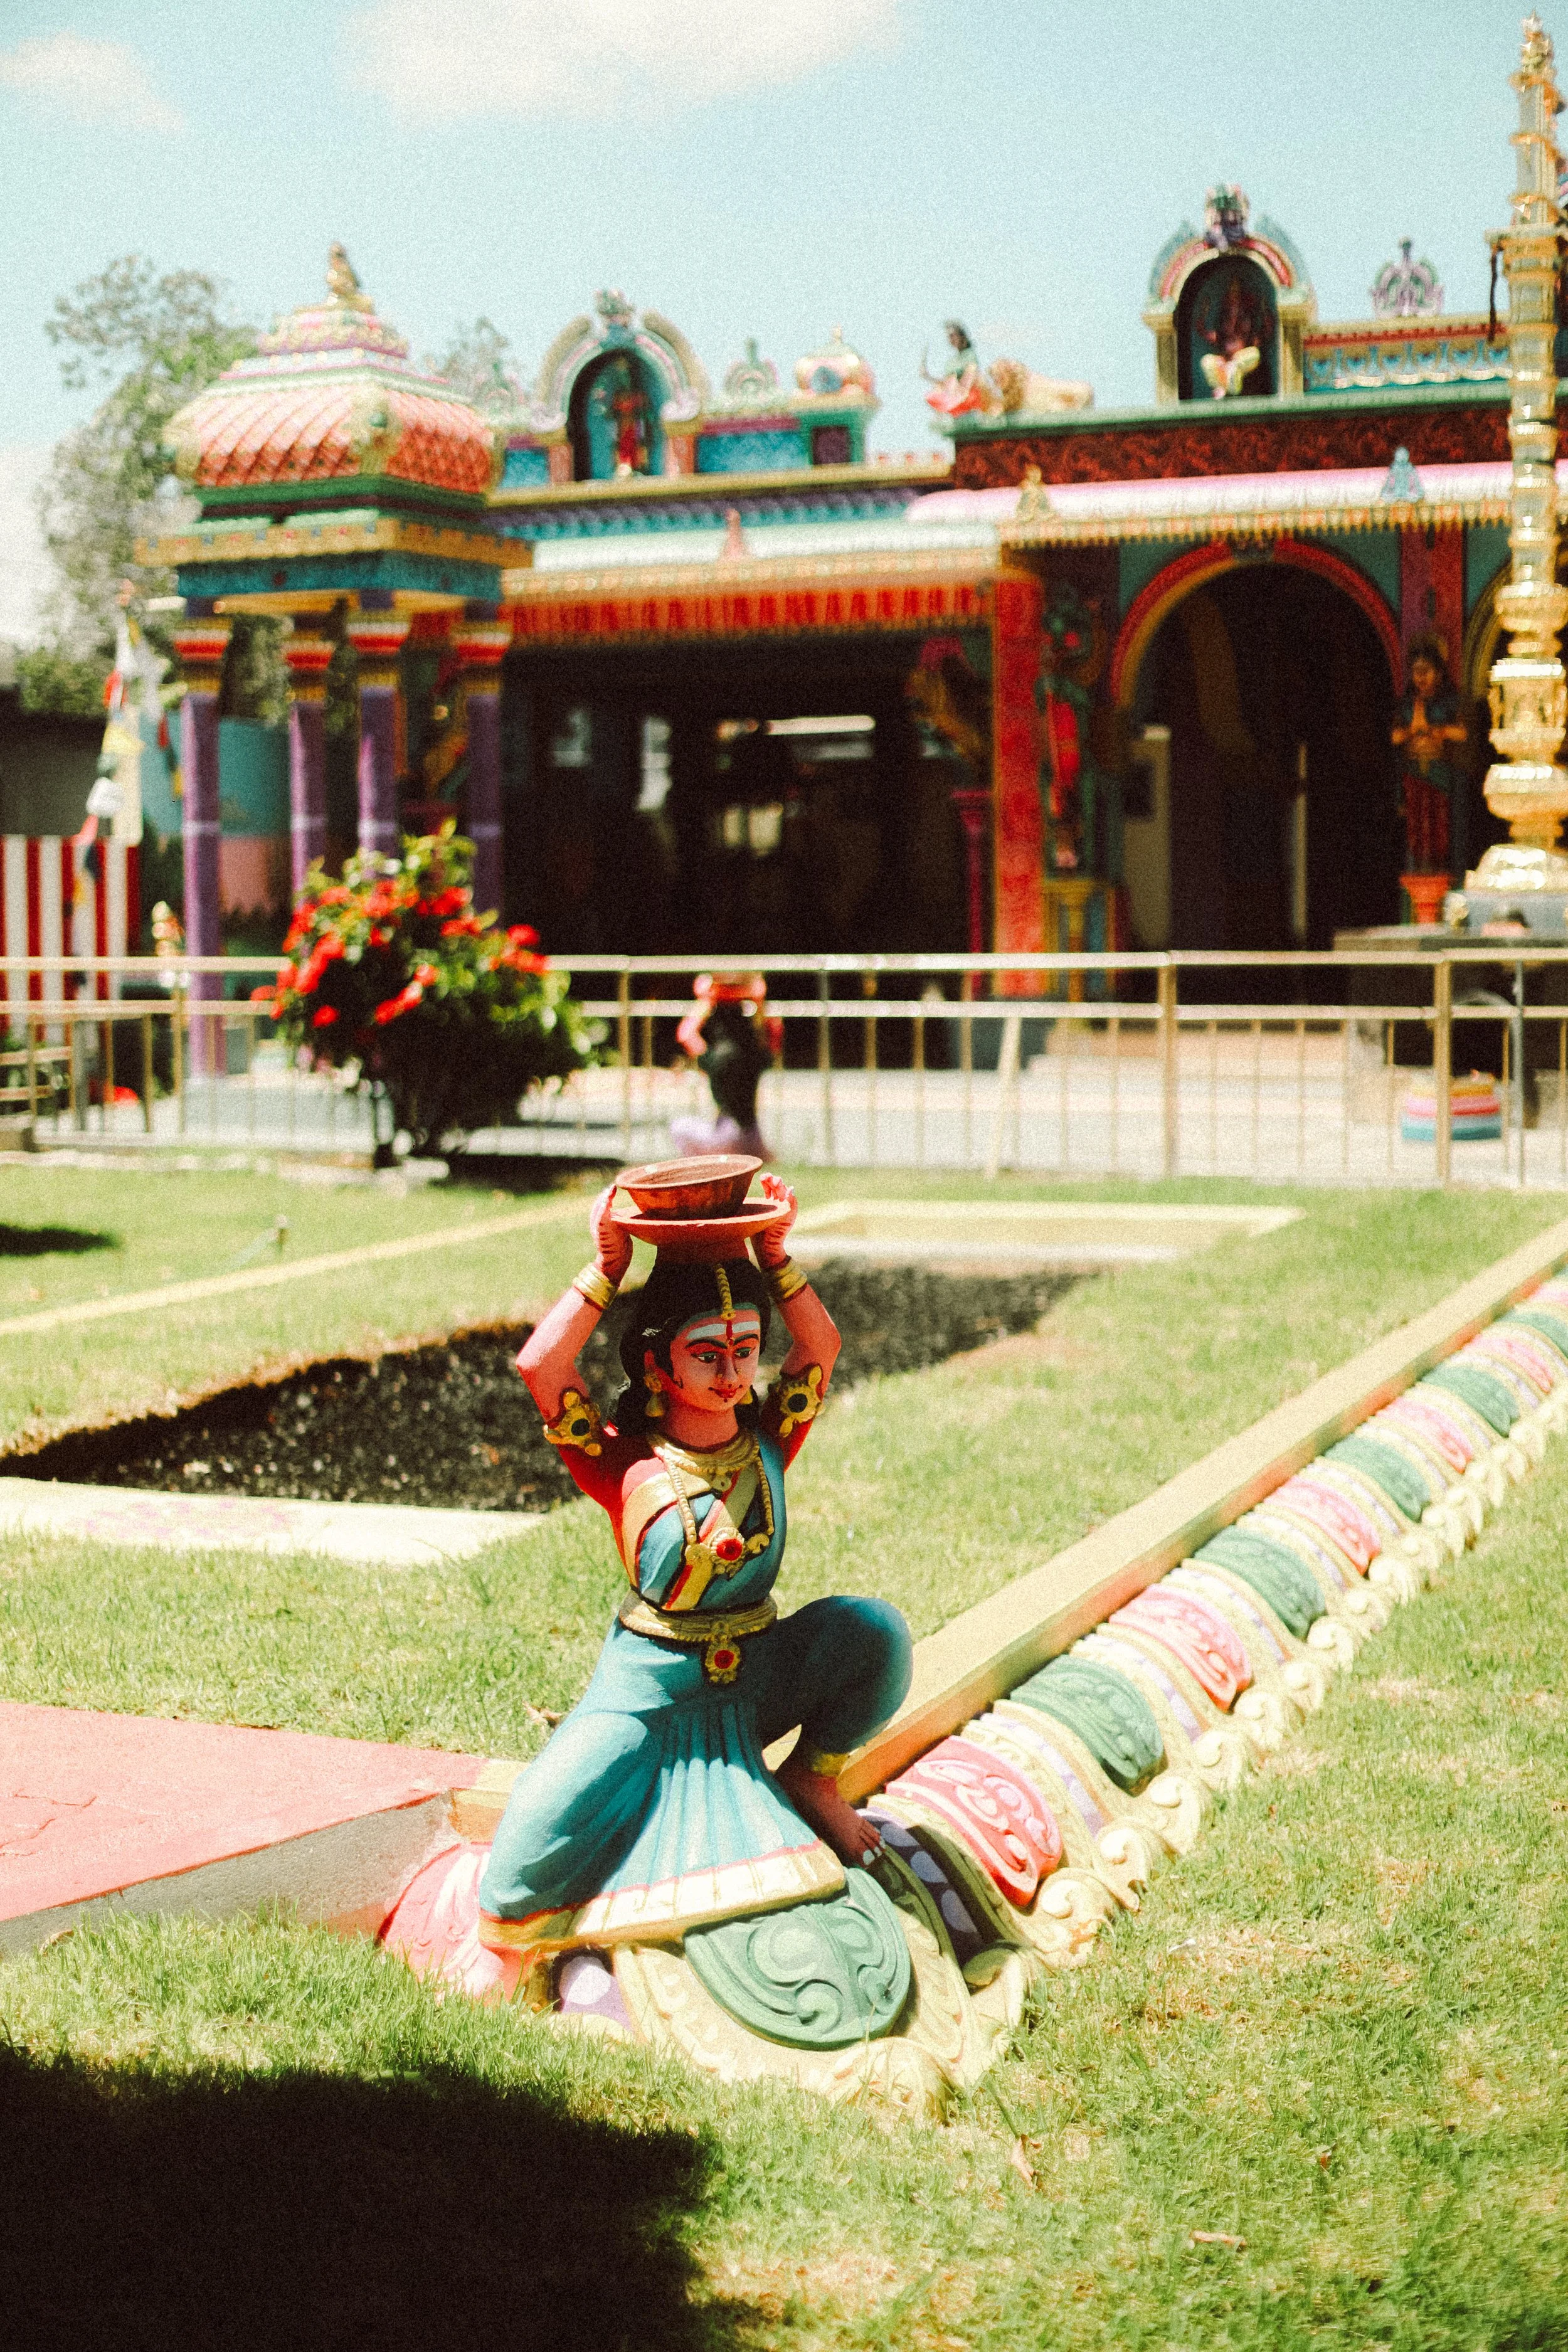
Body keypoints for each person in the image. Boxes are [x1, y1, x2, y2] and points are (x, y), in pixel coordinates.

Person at [475, 1174, 911, 1969]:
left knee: (874, 1637)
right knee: (517, 1876)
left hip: (758, 1671)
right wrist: (608, 1266)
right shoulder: (618, 1456)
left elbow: (821, 1348)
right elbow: (542, 1365)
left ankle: (811, 1784)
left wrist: (774, 1257)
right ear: (655, 1363)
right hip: (651, 1691)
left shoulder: (770, 1436)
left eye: (745, 1350)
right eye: (707, 1355)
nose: (732, 1374)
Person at [670, 971, 782, 1158]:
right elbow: (775, 1030)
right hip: (753, 1137)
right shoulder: (755, 1053)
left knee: (679, 1127)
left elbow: (686, 1034)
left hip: (729, 1136)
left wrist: (708, 1000)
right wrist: (756, 1000)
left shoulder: (718, 1057)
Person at [1391, 636, 1468, 874]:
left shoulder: (1448, 701)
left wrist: (1439, 731)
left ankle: (1442, 878)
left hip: (1440, 775)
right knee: (1416, 830)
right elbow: (1395, 737)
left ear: (1439, 672)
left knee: (1440, 829)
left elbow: (1462, 733)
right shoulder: (1407, 704)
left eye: (1427, 671)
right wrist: (1411, 731)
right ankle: (1419, 880)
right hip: (1413, 773)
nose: (1421, 677)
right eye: (1416, 671)